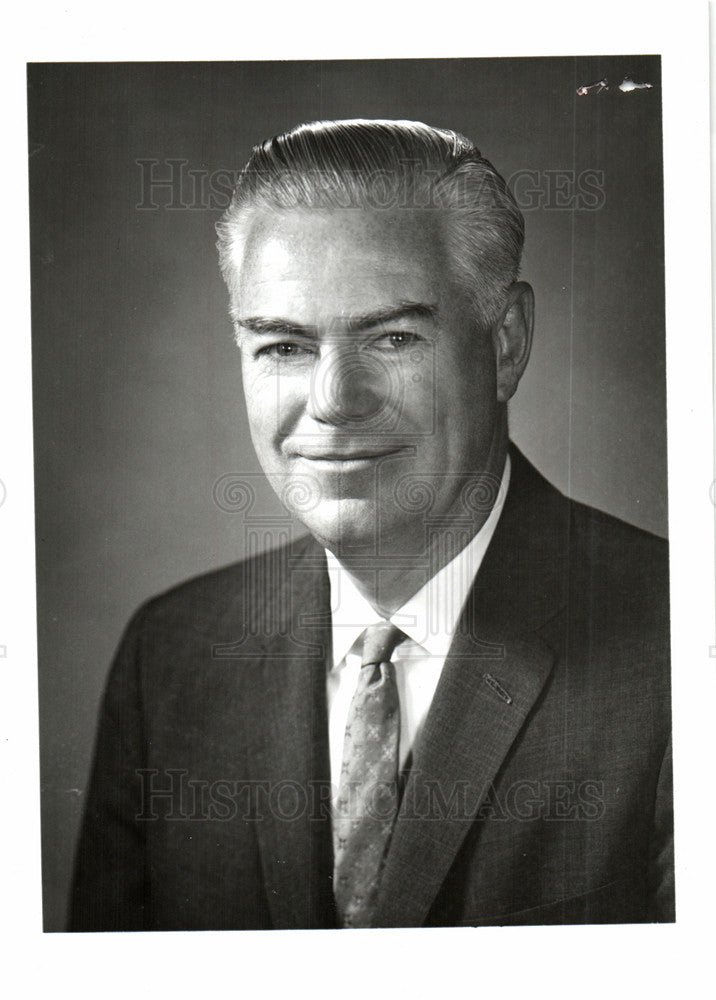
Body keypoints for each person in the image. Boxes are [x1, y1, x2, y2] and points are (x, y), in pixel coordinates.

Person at [70, 119, 673, 930]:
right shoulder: (168, 655)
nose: (333, 400)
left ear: (506, 344)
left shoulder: (681, 647)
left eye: (391, 338)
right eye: (284, 346)